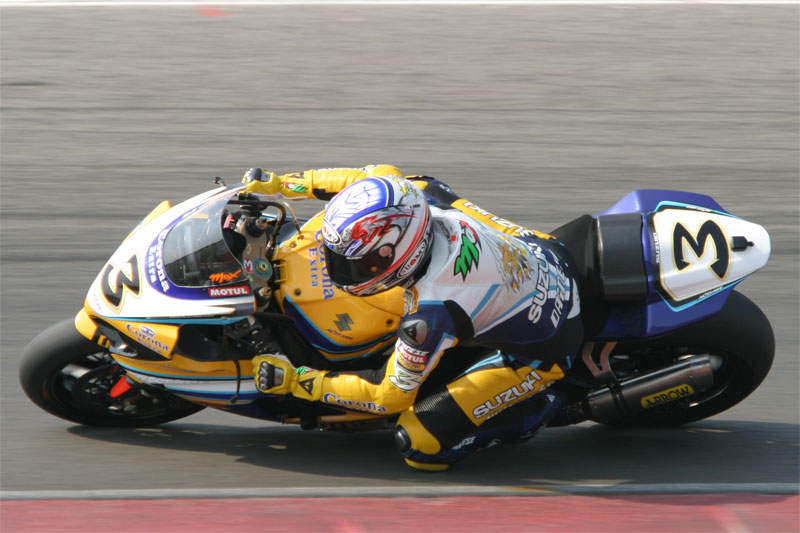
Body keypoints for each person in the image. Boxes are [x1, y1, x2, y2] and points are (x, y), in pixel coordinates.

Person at [244, 165, 583, 470]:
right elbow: (363, 181)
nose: (341, 272)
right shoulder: (416, 192)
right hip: (545, 249)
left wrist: (298, 381)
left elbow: (388, 395)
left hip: (544, 348)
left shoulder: (430, 314)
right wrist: (281, 184)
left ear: (397, 254)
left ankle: (539, 406)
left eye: (356, 265)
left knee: (420, 444)